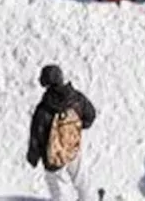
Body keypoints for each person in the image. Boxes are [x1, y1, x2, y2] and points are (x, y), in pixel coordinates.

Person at [28, 64, 98, 201]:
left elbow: (37, 135)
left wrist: (33, 156)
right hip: (72, 146)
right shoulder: (77, 98)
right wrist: (78, 126)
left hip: (53, 155)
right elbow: (91, 114)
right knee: (80, 177)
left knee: (58, 187)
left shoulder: (43, 108)